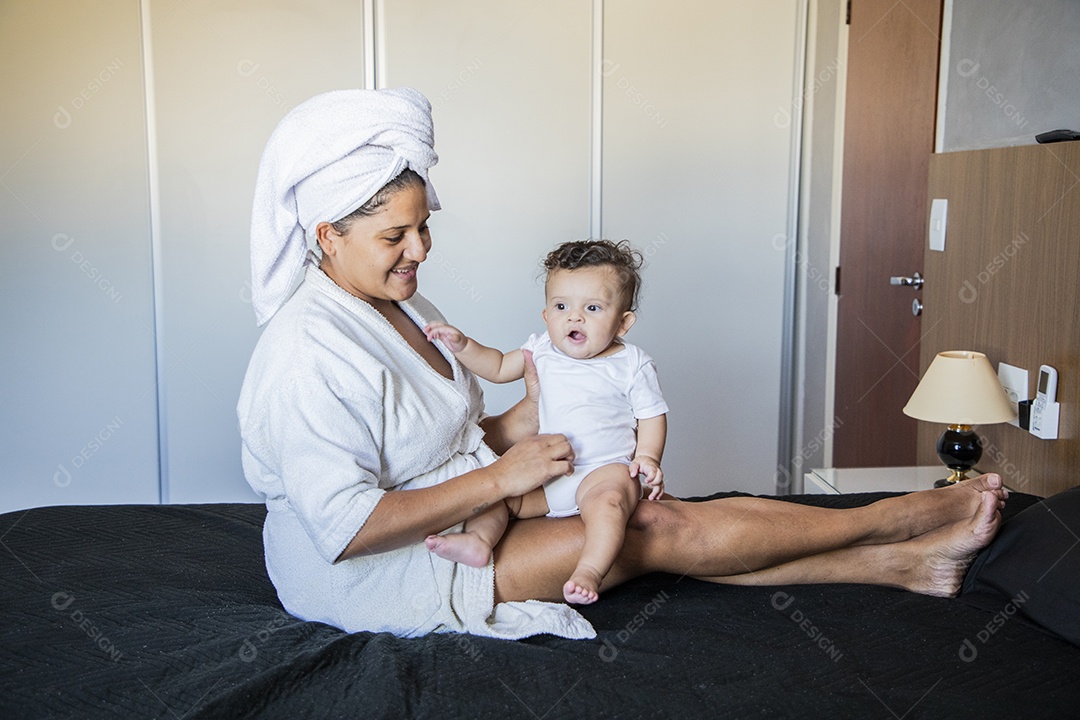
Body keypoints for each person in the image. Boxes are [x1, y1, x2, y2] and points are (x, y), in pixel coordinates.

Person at [237, 87, 1007, 641]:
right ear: (327, 233)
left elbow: (453, 435)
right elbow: (346, 527)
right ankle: (898, 518)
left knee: (644, 529)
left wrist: (524, 423)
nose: (420, 251)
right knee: (649, 530)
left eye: (424, 226)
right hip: (383, 571)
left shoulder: (409, 307)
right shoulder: (306, 351)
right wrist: (503, 477)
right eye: (395, 237)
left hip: (464, 511)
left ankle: (897, 568)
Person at [423, 239, 668, 605]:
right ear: (546, 316)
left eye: (593, 308)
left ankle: (589, 570)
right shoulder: (541, 349)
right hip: (552, 471)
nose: (575, 317)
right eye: (561, 306)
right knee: (499, 497)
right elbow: (498, 366)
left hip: (605, 471)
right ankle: (478, 541)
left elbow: (652, 414)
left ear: (623, 322)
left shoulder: (631, 363)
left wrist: (647, 457)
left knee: (609, 506)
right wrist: (463, 345)